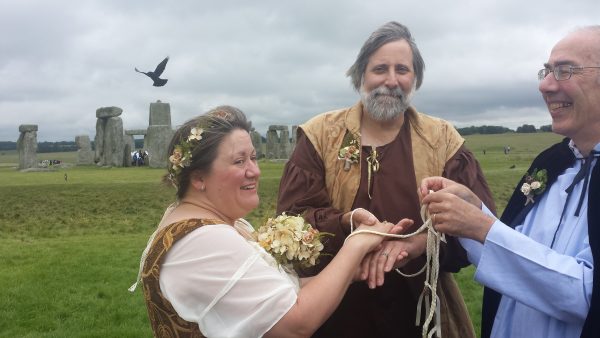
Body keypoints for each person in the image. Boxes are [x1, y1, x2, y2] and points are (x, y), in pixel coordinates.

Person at [277, 21, 495, 338]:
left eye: (402, 70)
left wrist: (422, 243)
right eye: (380, 69)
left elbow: (480, 225)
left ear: (415, 78)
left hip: (419, 313)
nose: (391, 80)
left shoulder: (444, 140)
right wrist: (348, 224)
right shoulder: (320, 135)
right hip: (333, 314)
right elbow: (291, 222)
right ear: (361, 76)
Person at [130, 105, 409, 338]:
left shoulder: (210, 223)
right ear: (198, 178)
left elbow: (274, 296)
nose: (255, 171)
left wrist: (347, 272)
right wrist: (356, 243)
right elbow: (296, 322)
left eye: (253, 157)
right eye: (239, 161)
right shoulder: (203, 241)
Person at [420, 26, 600, 338]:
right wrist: (473, 212)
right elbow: (518, 250)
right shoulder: (551, 162)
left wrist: (482, 228)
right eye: (546, 70)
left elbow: (588, 295)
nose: (545, 85)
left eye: (564, 70)